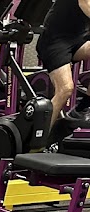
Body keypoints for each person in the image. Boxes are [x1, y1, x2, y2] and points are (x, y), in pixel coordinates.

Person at [36, 0, 90, 128]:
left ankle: (82, 108)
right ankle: (40, 136)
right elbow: (84, 3)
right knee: (65, 89)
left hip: (77, 39)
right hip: (55, 40)